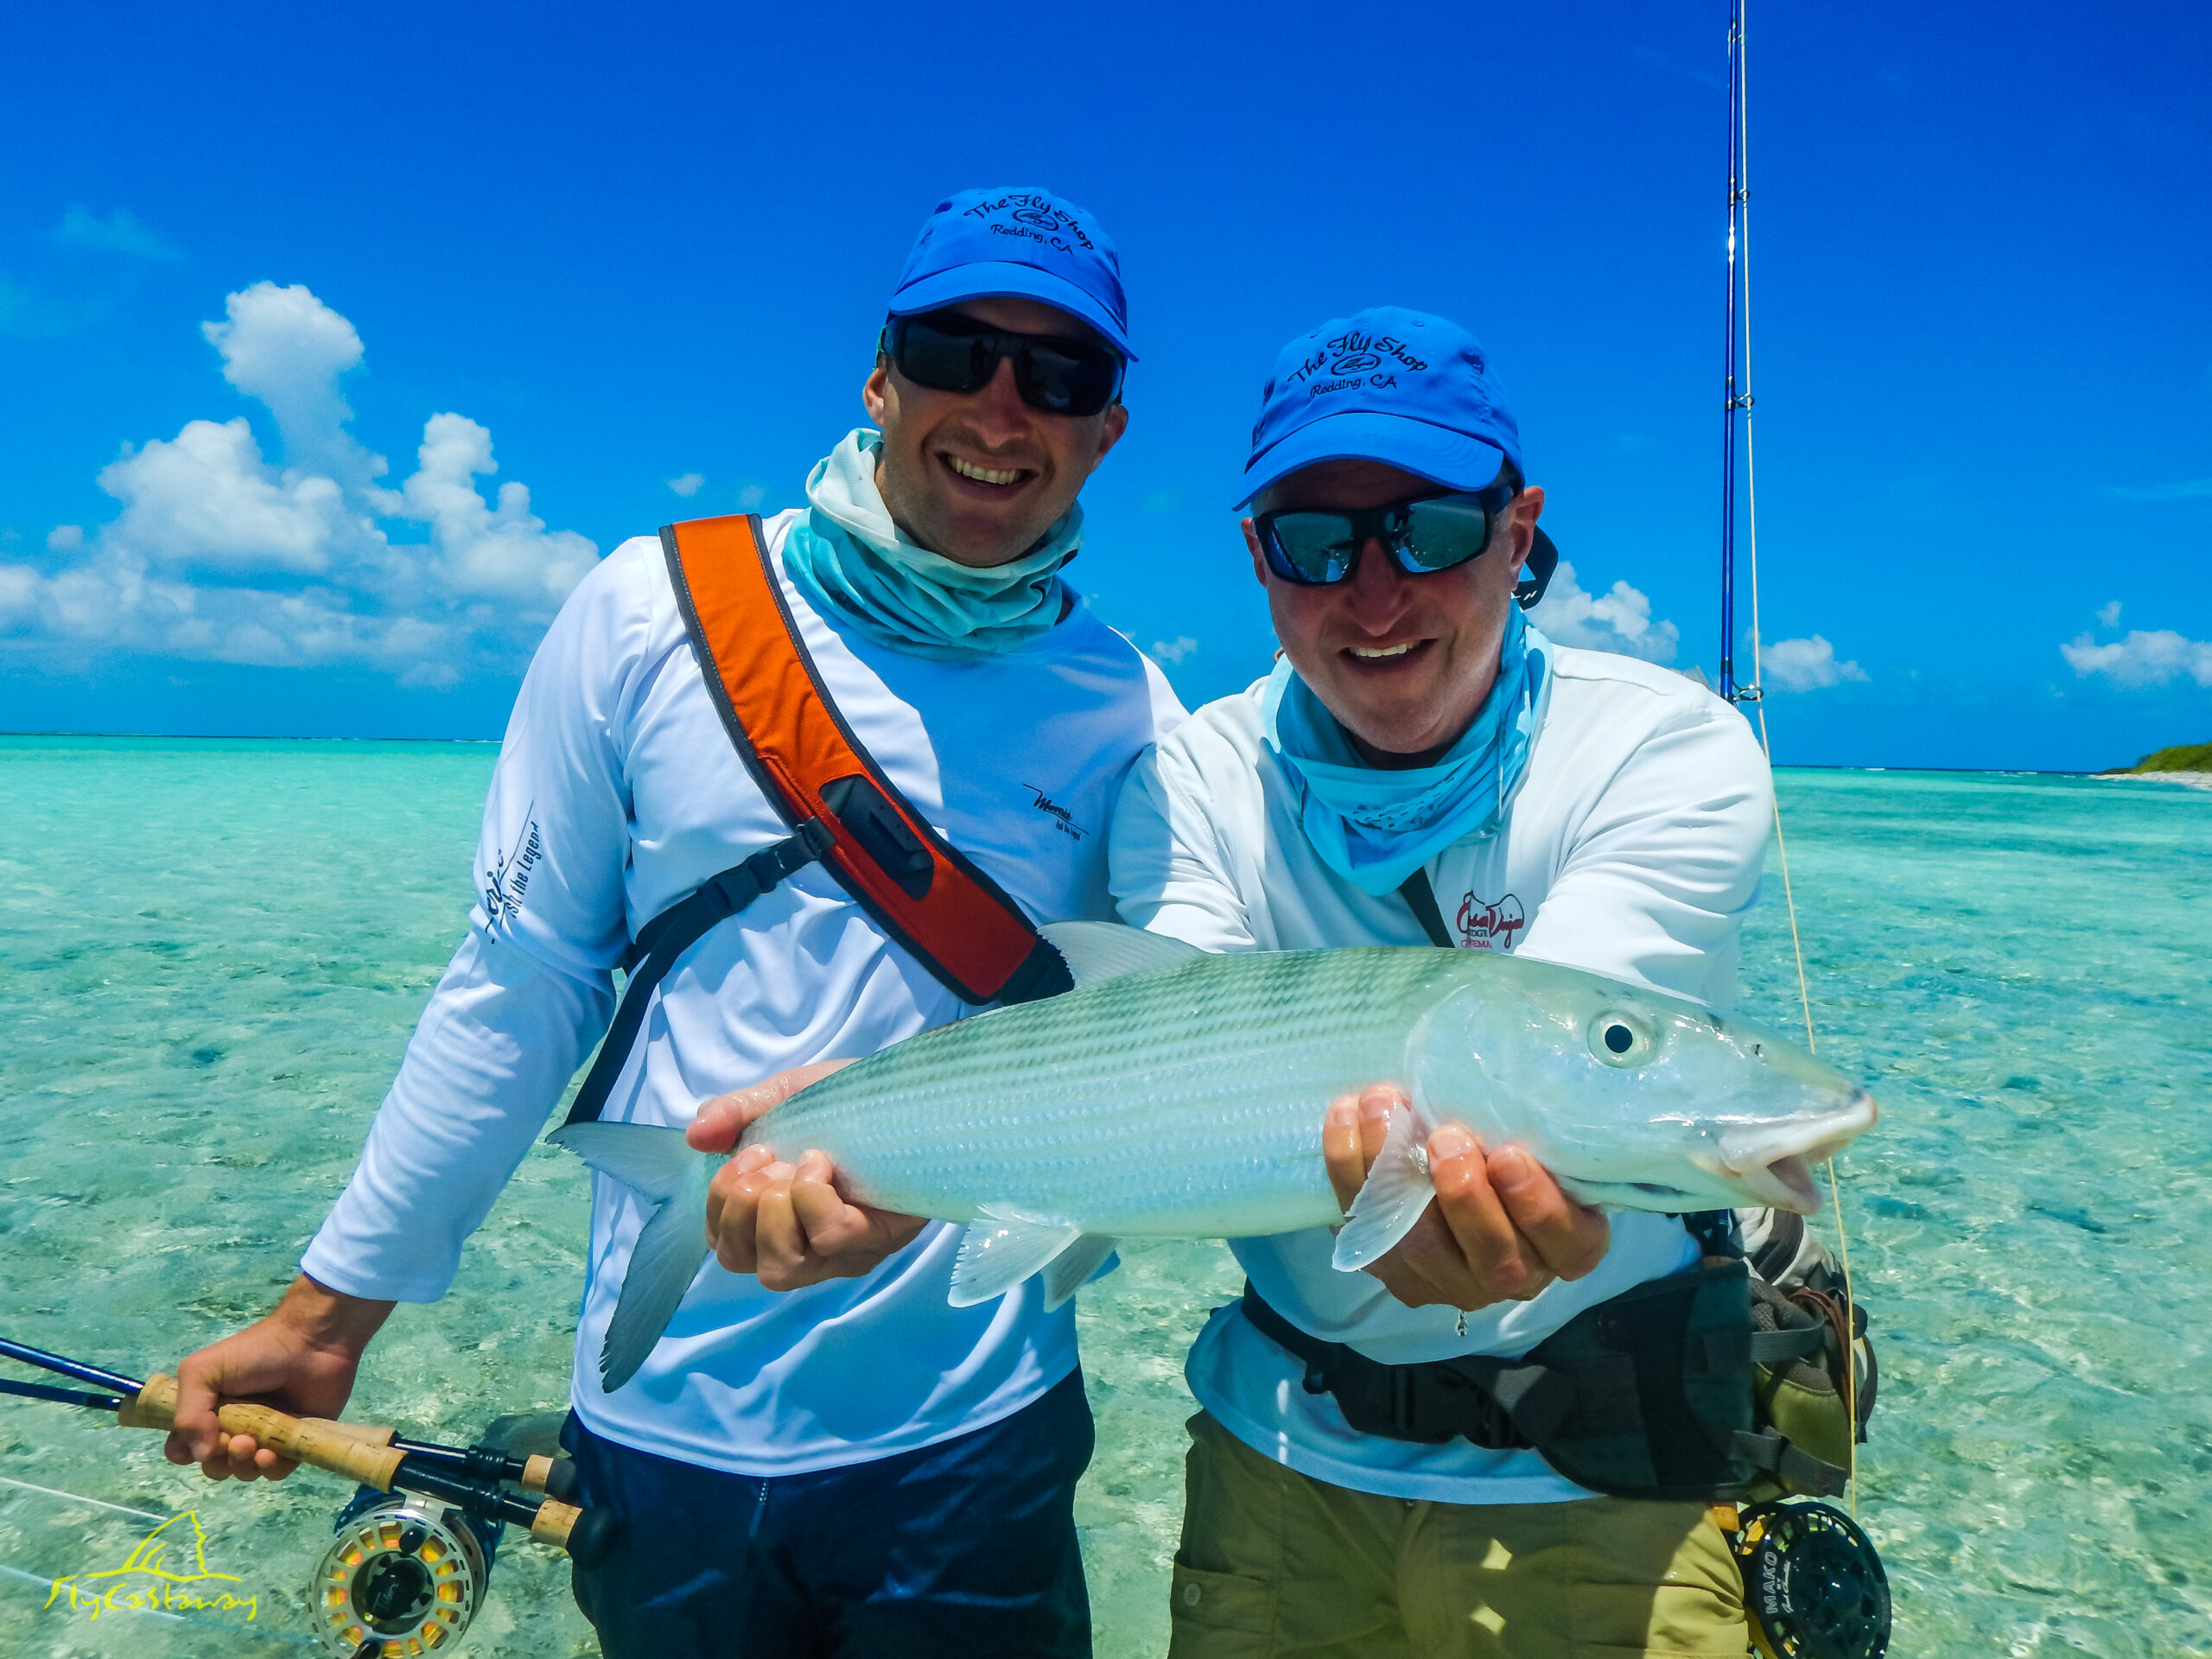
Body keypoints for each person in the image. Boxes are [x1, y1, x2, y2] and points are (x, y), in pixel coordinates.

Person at [164, 185, 1184, 1658]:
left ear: (1108, 430)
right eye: (954, 351)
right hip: (664, 1420)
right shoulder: (652, 608)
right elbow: (519, 986)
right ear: (880, 377)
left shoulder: (1135, 708)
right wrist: (329, 1321)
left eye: (1061, 374)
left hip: (979, 1434)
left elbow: (1173, 1042)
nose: (1001, 405)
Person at [1108, 306, 1774, 1657]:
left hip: (1599, 1474)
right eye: (1316, 542)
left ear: (1519, 533)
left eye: (1432, 529)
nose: (1375, 593)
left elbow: (1559, 1067)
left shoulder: (1664, 751)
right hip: (1281, 1453)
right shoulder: (1187, 782)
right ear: (1258, 559)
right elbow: (1173, 1078)